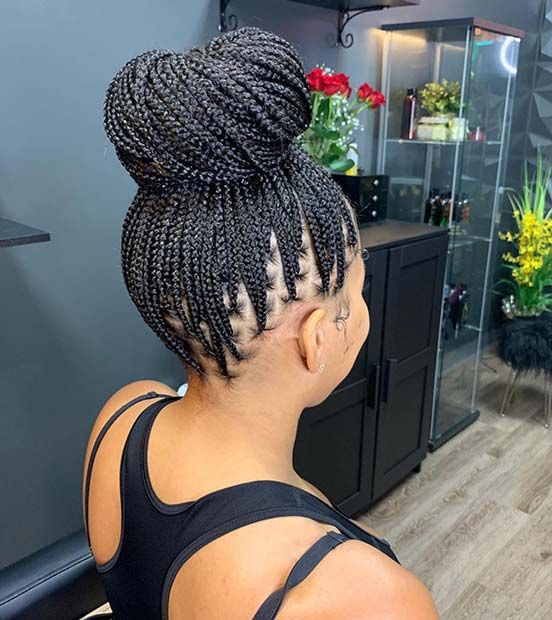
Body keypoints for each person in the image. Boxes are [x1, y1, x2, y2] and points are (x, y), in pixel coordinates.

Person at [83, 27, 438, 620]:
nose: (364, 310)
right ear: (317, 339)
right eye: (359, 287)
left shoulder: (121, 420)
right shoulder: (360, 595)